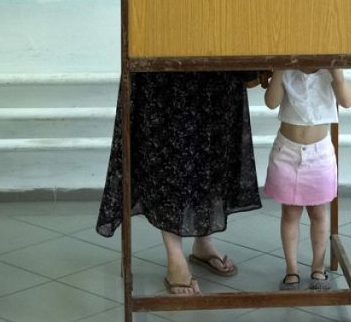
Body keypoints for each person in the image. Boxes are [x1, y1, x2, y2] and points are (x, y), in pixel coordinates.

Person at [96, 71, 262, 295]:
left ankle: (203, 242)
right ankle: (175, 258)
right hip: (165, 66)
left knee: (212, 150)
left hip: (217, 59)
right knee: (171, 158)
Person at [262, 68, 351, 291]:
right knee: (290, 212)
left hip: (320, 153)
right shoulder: (286, 70)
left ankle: (318, 266)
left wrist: (337, 73)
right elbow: (271, 103)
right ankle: (291, 269)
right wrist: (280, 69)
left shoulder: (329, 70)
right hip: (287, 151)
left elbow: (348, 101)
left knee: (318, 212)